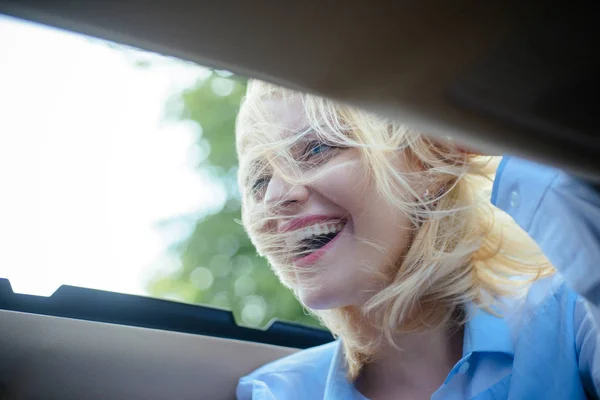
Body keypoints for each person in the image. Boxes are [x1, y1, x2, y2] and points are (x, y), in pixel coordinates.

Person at [234, 80, 600, 400]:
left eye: (316, 149)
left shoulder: (572, 323)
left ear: (427, 165)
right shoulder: (274, 393)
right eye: (258, 181)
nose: (274, 197)